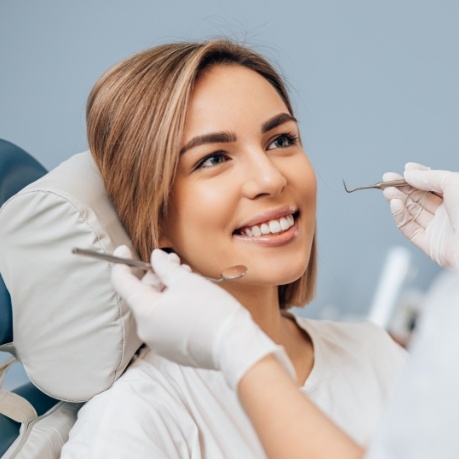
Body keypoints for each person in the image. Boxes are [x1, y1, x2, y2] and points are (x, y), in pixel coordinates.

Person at [60, 39, 447, 458]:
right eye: (213, 158)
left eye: (280, 140)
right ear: (154, 217)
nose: (270, 179)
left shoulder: (375, 352)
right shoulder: (136, 421)